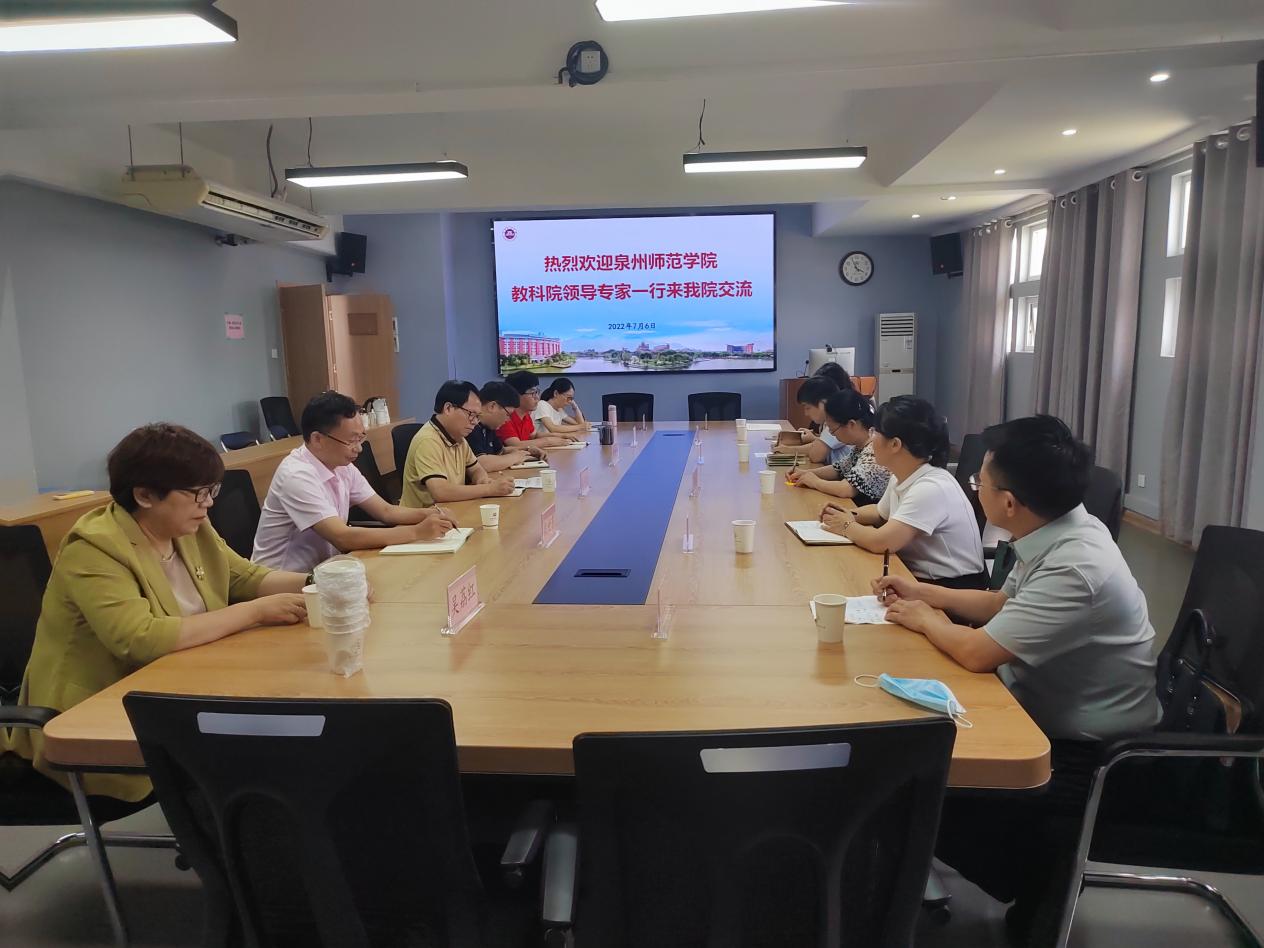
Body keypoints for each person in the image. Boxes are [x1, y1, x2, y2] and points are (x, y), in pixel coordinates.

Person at [873, 415, 1161, 945]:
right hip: (1040, 705)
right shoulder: (1062, 528)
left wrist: (927, 620)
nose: (974, 488)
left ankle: (1021, 887)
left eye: (979, 481)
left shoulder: (1076, 565)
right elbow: (1005, 604)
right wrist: (927, 594)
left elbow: (978, 653)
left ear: (1008, 503)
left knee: (905, 782)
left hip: (1088, 753)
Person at [9, 424, 309, 804]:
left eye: (211, 491)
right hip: (97, 715)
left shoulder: (190, 526)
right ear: (144, 495)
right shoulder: (94, 547)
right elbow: (140, 638)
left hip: (181, 685)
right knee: (258, 752)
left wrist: (318, 582)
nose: (208, 503)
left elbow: (245, 577)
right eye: (198, 493)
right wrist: (255, 612)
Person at [252, 391, 456, 572]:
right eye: (351, 440)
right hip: (284, 582)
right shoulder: (297, 475)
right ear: (317, 439)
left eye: (361, 438)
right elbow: (342, 537)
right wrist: (417, 531)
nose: (358, 448)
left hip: (327, 571)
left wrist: (430, 513)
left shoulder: (342, 465)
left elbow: (386, 511)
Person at [820, 395, 986, 588]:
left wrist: (846, 525)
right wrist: (848, 514)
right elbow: (880, 513)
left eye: (876, 432)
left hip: (951, 587)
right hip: (917, 577)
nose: (871, 438)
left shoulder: (931, 488)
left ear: (895, 444)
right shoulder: (902, 474)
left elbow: (881, 542)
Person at [401, 380, 516, 506]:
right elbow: (440, 492)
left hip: (452, 508)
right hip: (425, 515)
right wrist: (489, 489)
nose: (475, 422)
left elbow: (476, 469)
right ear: (448, 408)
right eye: (471, 414)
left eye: (477, 416)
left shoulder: (459, 437)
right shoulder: (427, 441)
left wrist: (482, 480)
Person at [788, 389, 890, 505]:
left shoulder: (874, 452)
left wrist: (815, 482)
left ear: (851, 424)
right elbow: (838, 469)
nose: (832, 434)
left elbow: (846, 489)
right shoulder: (861, 445)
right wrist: (805, 473)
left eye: (833, 430)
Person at [469, 380, 547, 473]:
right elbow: (481, 464)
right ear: (492, 406)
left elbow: (500, 451)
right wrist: (514, 457)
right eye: (508, 414)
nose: (508, 420)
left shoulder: (489, 426)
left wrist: (528, 450)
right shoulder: (471, 426)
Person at [498, 370, 579, 449]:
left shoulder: (526, 415)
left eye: (537, 392)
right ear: (516, 395)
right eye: (532, 393)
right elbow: (516, 445)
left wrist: (561, 436)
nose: (537, 397)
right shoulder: (505, 417)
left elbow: (534, 435)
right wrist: (548, 441)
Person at [774, 376, 841, 464]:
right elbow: (821, 445)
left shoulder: (837, 421)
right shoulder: (829, 420)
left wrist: (789, 450)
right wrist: (814, 439)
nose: (806, 413)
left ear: (823, 404)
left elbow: (816, 455)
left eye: (808, 407)